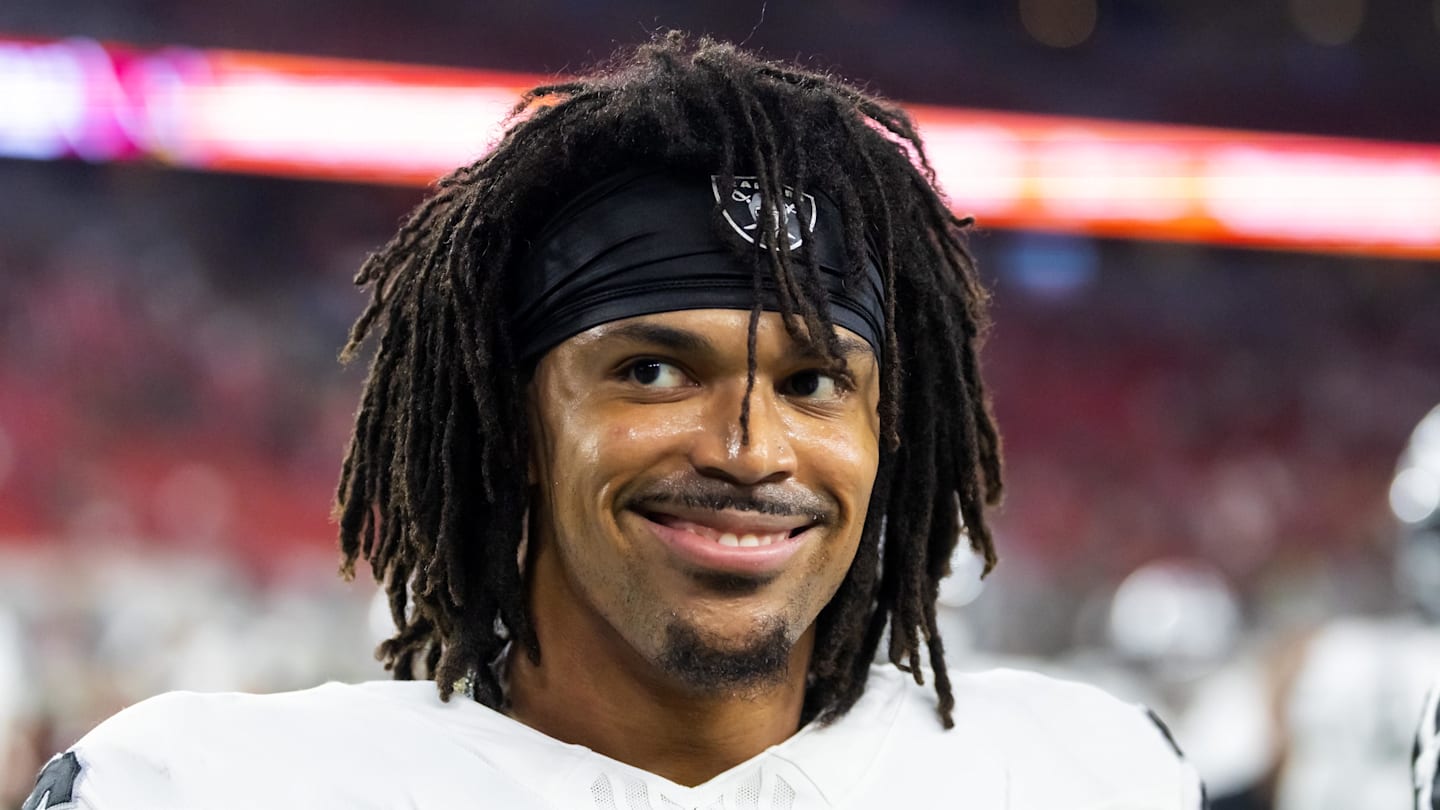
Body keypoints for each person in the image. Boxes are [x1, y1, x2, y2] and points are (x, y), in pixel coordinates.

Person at [22, 33, 1204, 809]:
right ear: (508, 425)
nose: (749, 451)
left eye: (812, 384)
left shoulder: (1081, 778)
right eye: (651, 372)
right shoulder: (204, 791)